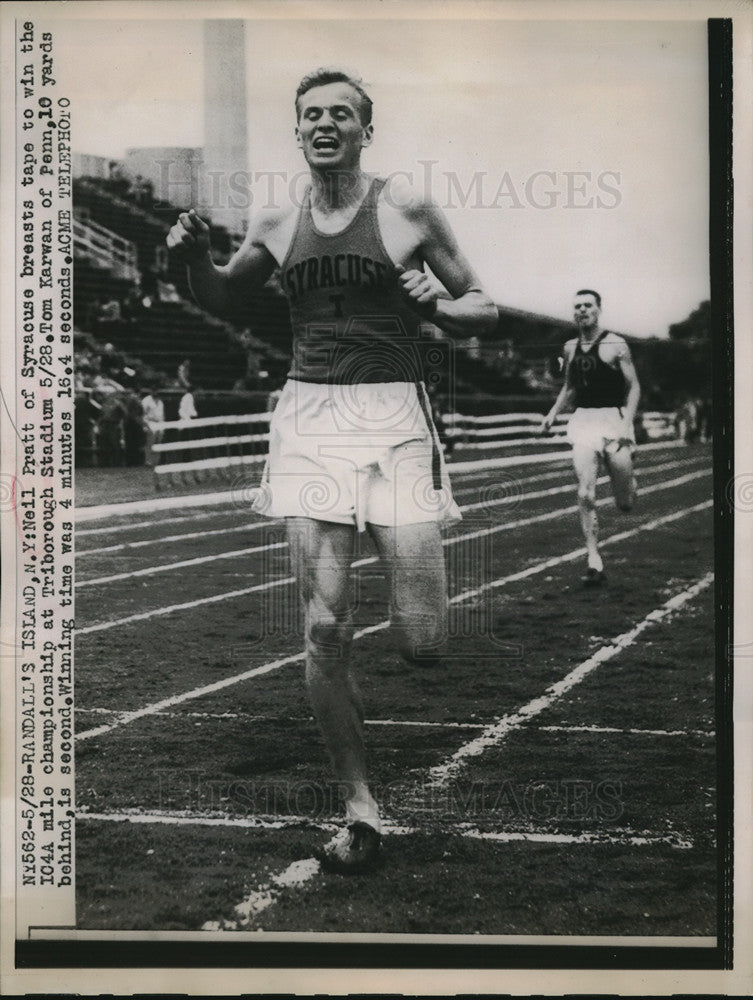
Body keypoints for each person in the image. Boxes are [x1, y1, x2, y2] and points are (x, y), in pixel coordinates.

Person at [167, 67, 497, 873]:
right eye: (311, 113)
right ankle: (358, 806)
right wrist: (187, 261)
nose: (324, 123)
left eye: (340, 113)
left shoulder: (406, 208)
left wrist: (435, 304)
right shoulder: (277, 217)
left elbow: (483, 305)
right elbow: (220, 292)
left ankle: (406, 632)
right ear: (298, 128)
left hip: (393, 418)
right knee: (322, 624)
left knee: (423, 640)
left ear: (364, 129)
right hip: (309, 421)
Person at [541, 289, 640, 586]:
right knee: (585, 493)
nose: (582, 310)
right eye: (577, 306)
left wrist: (627, 425)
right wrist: (553, 413)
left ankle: (629, 480)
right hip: (584, 421)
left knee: (626, 503)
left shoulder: (615, 344)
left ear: (598, 309)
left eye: (587, 305)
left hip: (614, 420)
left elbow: (634, 386)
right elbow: (570, 387)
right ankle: (593, 559)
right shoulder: (570, 347)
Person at [141, 389, 165, 466]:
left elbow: (162, 415)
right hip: (150, 423)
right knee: (150, 442)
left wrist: (163, 425)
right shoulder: (146, 400)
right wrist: (145, 425)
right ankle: (148, 461)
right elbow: (143, 414)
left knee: (158, 443)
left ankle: (156, 461)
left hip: (160, 423)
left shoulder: (160, 402)